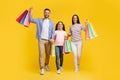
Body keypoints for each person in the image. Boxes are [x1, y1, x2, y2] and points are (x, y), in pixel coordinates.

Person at [29, 7, 54, 75]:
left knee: (48, 54)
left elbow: (52, 31)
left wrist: (52, 38)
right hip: (41, 40)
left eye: (48, 13)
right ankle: (42, 68)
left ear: (49, 14)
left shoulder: (51, 22)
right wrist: (30, 12)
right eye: (45, 12)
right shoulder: (39, 20)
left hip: (48, 40)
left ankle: (46, 64)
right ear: (44, 13)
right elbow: (30, 20)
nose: (46, 13)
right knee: (41, 54)